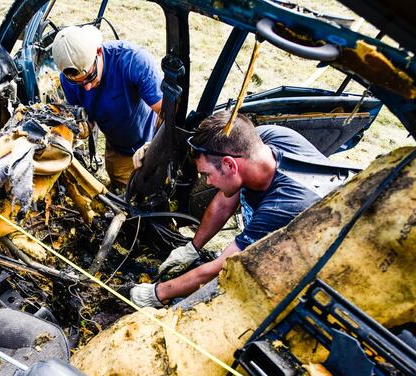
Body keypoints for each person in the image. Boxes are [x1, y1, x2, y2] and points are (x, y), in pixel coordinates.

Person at [130, 112, 327, 307]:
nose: (207, 182)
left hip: (307, 273)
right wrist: (192, 248)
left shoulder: (281, 206)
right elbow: (225, 202)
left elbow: (223, 266)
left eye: (207, 174)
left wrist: (159, 292)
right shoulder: (262, 140)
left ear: (229, 165)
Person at [52, 25, 163, 187]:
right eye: (79, 83)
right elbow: (84, 117)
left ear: (98, 52)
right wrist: (82, 127)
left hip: (150, 140)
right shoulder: (67, 79)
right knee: (123, 189)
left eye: (90, 77)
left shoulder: (134, 61)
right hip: (118, 148)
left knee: (156, 191)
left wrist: (153, 147)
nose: (87, 88)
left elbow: (167, 112)